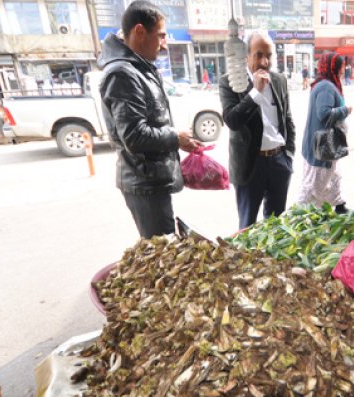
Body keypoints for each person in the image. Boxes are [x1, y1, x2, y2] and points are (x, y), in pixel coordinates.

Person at [98, 0, 201, 238]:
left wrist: (178, 141)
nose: (165, 45)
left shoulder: (139, 68)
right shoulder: (123, 74)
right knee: (163, 253)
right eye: (161, 36)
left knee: (167, 246)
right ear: (140, 32)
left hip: (151, 180)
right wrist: (175, 137)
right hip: (143, 183)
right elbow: (134, 135)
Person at [219, 32, 295, 229]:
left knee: (276, 226)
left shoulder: (279, 80)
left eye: (269, 55)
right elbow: (232, 120)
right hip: (250, 165)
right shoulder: (231, 82)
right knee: (248, 227)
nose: (265, 61)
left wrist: (288, 156)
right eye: (259, 55)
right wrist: (255, 92)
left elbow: (287, 120)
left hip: (279, 162)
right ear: (247, 56)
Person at [298, 52, 351, 214]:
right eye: (341, 66)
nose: (344, 70)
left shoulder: (325, 84)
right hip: (322, 147)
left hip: (326, 145)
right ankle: (302, 217)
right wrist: (345, 110)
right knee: (313, 186)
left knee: (333, 176)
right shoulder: (326, 87)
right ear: (333, 67)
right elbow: (324, 114)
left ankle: (339, 205)